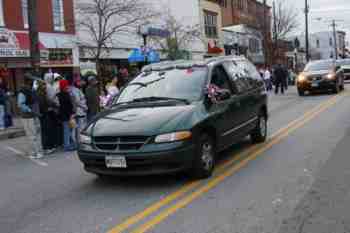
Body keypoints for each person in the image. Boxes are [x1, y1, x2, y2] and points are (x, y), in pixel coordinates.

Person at [17, 76, 44, 159]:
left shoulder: (23, 92)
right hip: (33, 115)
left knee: (31, 135)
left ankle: (34, 153)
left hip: (28, 116)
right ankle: (38, 151)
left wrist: (29, 110)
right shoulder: (32, 91)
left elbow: (20, 104)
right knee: (35, 134)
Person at [36, 80, 56, 155]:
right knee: (46, 131)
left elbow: (48, 102)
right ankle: (46, 148)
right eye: (43, 85)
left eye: (45, 85)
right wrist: (49, 107)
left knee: (46, 131)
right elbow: (43, 104)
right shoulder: (40, 94)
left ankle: (47, 147)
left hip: (44, 113)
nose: (45, 87)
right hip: (44, 114)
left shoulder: (43, 93)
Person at [57, 80, 76, 152]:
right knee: (67, 131)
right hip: (67, 116)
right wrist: (71, 114)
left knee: (68, 130)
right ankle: (67, 146)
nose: (67, 86)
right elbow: (68, 106)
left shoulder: (59, 94)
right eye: (66, 85)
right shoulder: (66, 95)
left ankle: (70, 144)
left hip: (64, 115)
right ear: (64, 86)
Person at [70, 77, 88, 142]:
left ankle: (77, 140)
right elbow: (77, 101)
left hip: (79, 110)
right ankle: (78, 140)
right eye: (80, 82)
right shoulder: (75, 90)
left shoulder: (76, 89)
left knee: (77, 127)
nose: (81, 83)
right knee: (79, 127)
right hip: (79, 111)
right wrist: (84, 107)